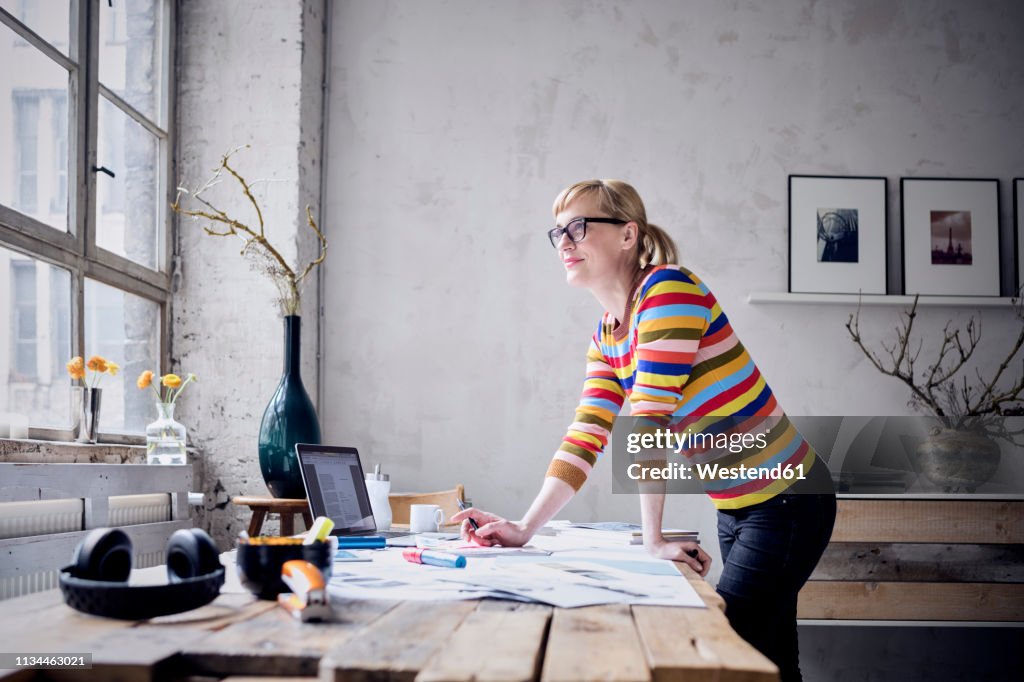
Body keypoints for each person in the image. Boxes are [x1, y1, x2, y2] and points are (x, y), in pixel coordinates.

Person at [450, 179, 837, 682]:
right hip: (738, 509)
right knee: (771, 665)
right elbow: (586, 435)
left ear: (628, 235)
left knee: (719, 656)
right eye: (558, 232)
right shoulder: (608, 335)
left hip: (788, 502)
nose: (564, 243)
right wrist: (524, 529)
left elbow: (649, 418)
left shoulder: (668, 291)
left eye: (579, 227)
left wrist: (653, 540)